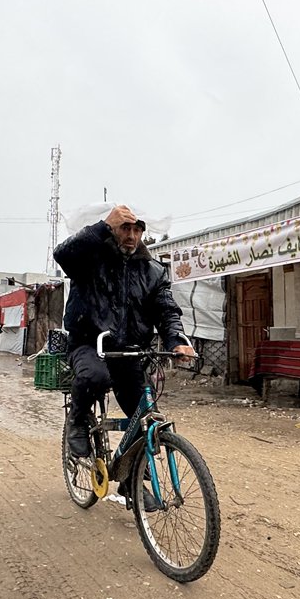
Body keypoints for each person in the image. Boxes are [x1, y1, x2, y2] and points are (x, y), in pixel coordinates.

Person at [53, 204, 195, 499]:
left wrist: (176, 340)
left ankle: (131, 479)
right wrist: (102, 226)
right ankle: (78, 422)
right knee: (94, 377)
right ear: (113, 230)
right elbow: (62, 254)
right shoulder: (89, 259)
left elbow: (166, 310)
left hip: (130, 352)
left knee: (145, 415)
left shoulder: (153, 271)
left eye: (137, 229)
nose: (132, 235)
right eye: (125, 228)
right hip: (89, 344)